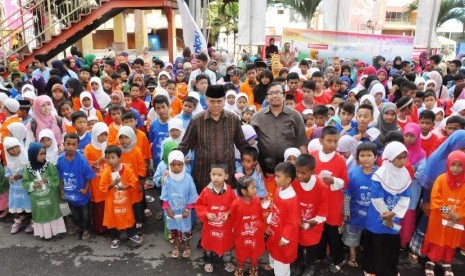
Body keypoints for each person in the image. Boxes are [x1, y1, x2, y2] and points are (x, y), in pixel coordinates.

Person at [179, 85, 246, 192]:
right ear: (206, 100)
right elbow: (185, 145)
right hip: (203, 175)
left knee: (226, 206)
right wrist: (170, 162)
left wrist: (253, 163)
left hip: (226, 174)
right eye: (212, 101)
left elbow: (242, 145)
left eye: (219, 101)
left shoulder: (233, 119)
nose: (215, 105)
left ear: (224, 101)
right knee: (204, 207)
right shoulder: (197, 120)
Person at [363, 141, 411, 276]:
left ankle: (390, 270)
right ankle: (371, 270)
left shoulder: (405, 174)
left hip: (394, 215)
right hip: (377, 216)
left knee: (391, 245)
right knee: (376, 244)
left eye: (404, 157)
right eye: (398, 158)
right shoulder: (379, 174)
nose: (402, 161)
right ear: (390, 157)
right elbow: (376, 197)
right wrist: (386, 215)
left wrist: (393, 214)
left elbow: (406, 196)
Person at [310, 126, 348, 272]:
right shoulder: (313, 156)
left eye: (335, 141)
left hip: (333, 201)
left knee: (333, 232)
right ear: (321, 141)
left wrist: (333, 181)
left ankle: (338, 258)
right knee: (319, 229)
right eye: (329, 141)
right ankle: (319, 256)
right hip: (317, 201)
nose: (332, 144)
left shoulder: (340, 159)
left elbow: (345, 181)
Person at [421, 150, 465, 276]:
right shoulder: (441, 179)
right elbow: (435, 199)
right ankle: (431, 260)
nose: (456, 168)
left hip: (457, 219)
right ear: (448, 164)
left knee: (451, 240)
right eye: (453, 164)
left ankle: (447, 261)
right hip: (439, 217)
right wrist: (449, 213)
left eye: (460, 165)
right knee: (437, 239)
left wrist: (458, 215)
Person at [251, 82, 308, 175]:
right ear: (266, 98)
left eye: (278, 92)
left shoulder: (295, 115)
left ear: (284, 96)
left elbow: (302, 142)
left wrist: (304, 166)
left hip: (289, 164)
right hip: (265, 165)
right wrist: (255, 162)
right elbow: (250, 143)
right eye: (271, 93)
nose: (275, 96)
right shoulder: (257, 117)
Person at [195, 163, 237, 273]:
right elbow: (199, 205)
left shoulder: (230, 191)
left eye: (219, 174)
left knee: (226, 243)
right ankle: (209, 260)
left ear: (226, 176)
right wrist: (206, 214)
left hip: (225, 226)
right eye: (213, 174)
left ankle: (227, 260)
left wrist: (228, 213)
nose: (216, 177)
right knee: (209, 243)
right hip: (210, 226)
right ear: (210, 175)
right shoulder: (206, 191)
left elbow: (235, 205)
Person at [292, 154, 328, 276]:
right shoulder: (294, 182)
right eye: (297, 172)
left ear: (313, 171)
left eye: (304, 173)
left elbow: (323, 211)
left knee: (312, 246)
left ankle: (310, 265)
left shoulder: (320, 186)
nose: (299, 176)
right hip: (297, 221)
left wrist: (310, 224)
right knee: (298, 244)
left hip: (313, 224)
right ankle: (298, 262)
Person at [100, 145, 142, 249]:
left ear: (119, 158)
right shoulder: (106, 172)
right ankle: (115, 237)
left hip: (125, 201)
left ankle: (131, 234)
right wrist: (112, 184)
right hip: (112, 202)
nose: (110, 160)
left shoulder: (126, 170)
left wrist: (125, 187)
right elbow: (102, 187)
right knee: (113, 219)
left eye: (113, 157)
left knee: (128, 217)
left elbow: (134, 182)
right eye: (107, 157)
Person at [343, 142, 377, 268]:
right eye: (362, 155)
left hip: (373, 215)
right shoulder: (353, 173)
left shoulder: (380, 174)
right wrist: (346, 211)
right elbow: (347, 194)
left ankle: (369, 257)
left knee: (371, 238)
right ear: (358, 158)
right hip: (355, 213)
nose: (366, 158)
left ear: (376, 157)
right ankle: (352, 256)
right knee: (352, 236)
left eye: (369, 155)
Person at [22, 142, 66, 239]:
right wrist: (34, 184)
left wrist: (47, 180)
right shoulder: (28, 168)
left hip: (50, 198)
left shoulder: (49, 165)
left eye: (44, 153)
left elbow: (55, 177)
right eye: (40, 154)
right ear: (33, 155)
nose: (43, 156)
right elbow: (25, 182)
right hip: (37, 200)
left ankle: (56, 231)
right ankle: (44, 234)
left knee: (52, 212)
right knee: (41, 214)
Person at [57, 133, 96, 240]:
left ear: (77, 145)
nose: (70, 147)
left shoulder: (82, 159)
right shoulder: (60, 159)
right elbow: (60, 176)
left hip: (82, 194)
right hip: (69, 194)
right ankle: (79, 226)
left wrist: (85, 188)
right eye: (68, 144)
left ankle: (86, 229)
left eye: (73, 144)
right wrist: (62, 190)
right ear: (63, 144)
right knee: (75, 215)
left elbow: (89, 175)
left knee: (85, 214)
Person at [160, 150, 198, 259]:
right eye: (173, 164)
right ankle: (176, 246)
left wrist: (187, 209)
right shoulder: (168, 179)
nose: (176, 167)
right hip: (172, 212)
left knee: (186, 229)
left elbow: (192, 195)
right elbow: (165, 196)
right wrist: (167, 209)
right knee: (175, 230)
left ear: (183, 164)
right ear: (169, 165)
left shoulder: (188, 178)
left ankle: (187, 246)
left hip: (185, 212)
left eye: (179, 164)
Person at [266, 162, 300, 276]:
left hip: (283, 235)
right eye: (275, 175)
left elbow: (292, 223)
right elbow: (275, 208)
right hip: (275, 230)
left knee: (282, 258)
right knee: (273, 250)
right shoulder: (278, 190)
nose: (275, 179)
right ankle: (273, 266)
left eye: (278, 176)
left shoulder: (291, 200)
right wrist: (270, 220)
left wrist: (285, 238)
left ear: (288, 179)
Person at [230, 176, 265, 276]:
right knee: (241, 251)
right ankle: (240, 267)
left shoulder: (257, 201)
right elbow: (233, 219)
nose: (255, 190)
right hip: (241, 235)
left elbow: (260, 215)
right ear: (244, 191)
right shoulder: (236, 204)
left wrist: (261, 227)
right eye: (253, 188)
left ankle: (254, 267)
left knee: (254, 251)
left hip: (255, 234)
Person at [83, 122, 109, 234]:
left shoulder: (108, 146)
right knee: (98, 206)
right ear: (95, 134)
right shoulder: (89, 148)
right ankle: (100, 227)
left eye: (105, 135)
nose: (103, 138)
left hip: (107, 181)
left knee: (108, 204)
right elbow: (87, 168)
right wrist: (99, 160)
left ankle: (110, 225)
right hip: (95, 182)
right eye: (101, 135)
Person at [4, 137, 32, 234]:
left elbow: (32, 173)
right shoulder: (8, 161)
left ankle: (33, 222)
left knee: (30, 206)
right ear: (7, 151)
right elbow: (7, 173)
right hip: (15, 189)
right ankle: (17, 222)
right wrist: (10, 177)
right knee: (15, 206)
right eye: (10, 149)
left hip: (27, 188)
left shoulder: (27, 159)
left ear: (20, 146)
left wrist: (21, 176)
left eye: (16, 147)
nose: (14, 150)